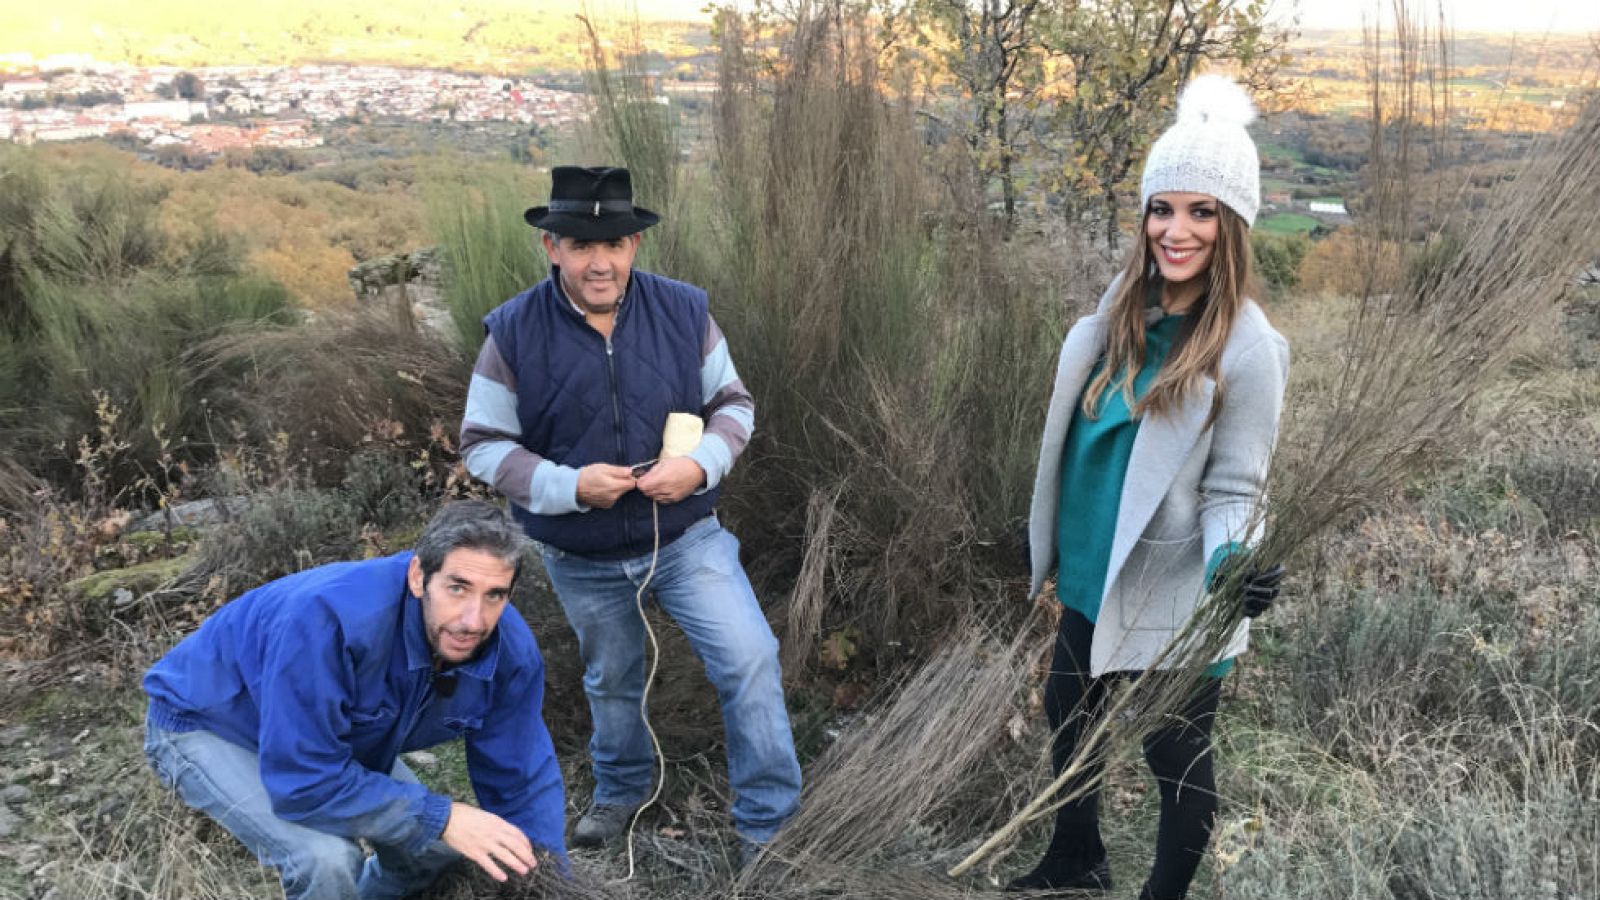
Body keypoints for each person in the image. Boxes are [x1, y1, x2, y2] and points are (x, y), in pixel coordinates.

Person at [459, 166, 801, 854]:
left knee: (751, 658)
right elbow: (483, 445)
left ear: (634, 247)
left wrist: (700, 464)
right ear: (552, 248)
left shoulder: (684, 311)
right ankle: (621, 790)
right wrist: (568, 486)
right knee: (611, 680)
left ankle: (769, 824)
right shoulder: (513, 332)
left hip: (686, 540)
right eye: (582, 246)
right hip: (579, 555)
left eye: (614, 244)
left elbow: (733, 404)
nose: (600, 261)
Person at [1007, 76, 1289, 900]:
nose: (1177, 229)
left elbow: (1238, 484)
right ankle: (1077, 861)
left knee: (1176, 758)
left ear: (1232, 225)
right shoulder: (1119, 316)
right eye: (1163, 208)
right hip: (1092, 575)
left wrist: (1236, 563)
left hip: (1171, 589)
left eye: (1203, 212)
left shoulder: (1247, 347)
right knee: (1071, 716)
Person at [142, 501, 566, 900]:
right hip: (212, 720)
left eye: (495, 594)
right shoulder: (330, 621)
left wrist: (546, 878)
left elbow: (522, 776)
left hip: (324, 734)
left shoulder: (508, 651)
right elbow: (304, 784)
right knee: (327, 861)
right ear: (418, 576)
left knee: (432, 854)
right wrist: (443, 817)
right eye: (458, 588)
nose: (474, 620)